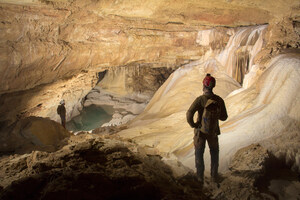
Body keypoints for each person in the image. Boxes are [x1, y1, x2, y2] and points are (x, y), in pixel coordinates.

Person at [186, 73, 228, 183]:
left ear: (204, 86)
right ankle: (214, 176)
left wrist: (194, 125)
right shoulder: (219, 100)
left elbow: (189, 114)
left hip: (200, 132)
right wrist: (215, 116)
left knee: (199, 153)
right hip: (213, 132)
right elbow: (224, 117)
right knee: (214, 153)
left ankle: (200, 178)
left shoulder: (200, 100)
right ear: (213, 86)